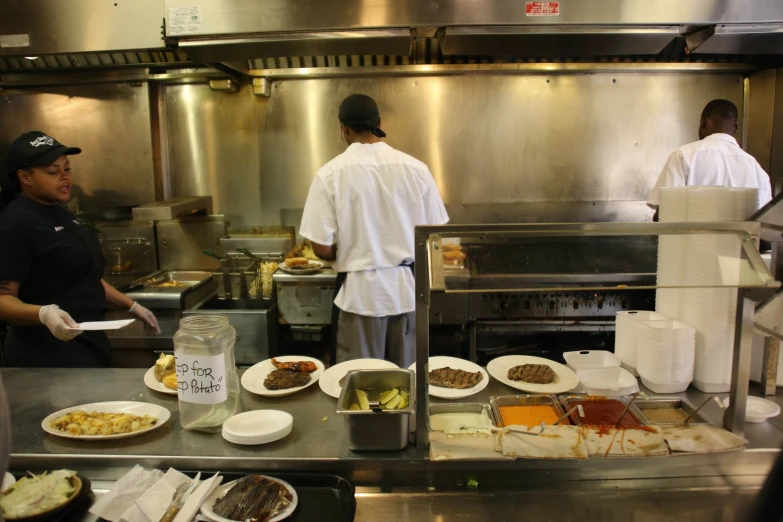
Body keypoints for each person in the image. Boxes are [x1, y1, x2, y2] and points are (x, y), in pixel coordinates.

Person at [299, 94, 449, 367]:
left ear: (343, 128)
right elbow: (434, 237)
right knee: (407, 383)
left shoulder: (330, 174)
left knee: (361, 385)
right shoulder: (416, 169)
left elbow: (320, 247)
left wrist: (342, 253)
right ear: (378, 123)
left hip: (359, 297)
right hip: (406, 293)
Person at [0, 131, 160, 368]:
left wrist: (131, 305)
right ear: (25, 177)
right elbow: (3, 299)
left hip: (88, 341)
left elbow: (84, 275)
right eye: (53, 172)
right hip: (46, 354)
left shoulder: (61, 213)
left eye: (67, 169)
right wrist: (43, 314)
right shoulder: (14, 224)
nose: (64, 178)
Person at [647, 99, 772, 220]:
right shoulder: (756, 169)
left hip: (688, 241)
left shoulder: (683, 155)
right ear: (735, 128)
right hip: (741, 242)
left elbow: (663, 216)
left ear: (703, 122)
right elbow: (764, 225)